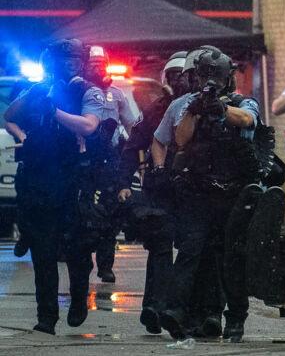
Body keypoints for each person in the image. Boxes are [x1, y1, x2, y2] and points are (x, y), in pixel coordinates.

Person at [159, 48, 261, 342]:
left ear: (228, 79)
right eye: (206, 76)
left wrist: (221, 109)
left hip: (233, 195)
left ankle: (232, 317)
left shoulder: (242, 102)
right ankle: (176, 310)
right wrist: (195, 109)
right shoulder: (191, 103)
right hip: (199, 192)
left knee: (229, 258)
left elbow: (248, 120)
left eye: (216, 77)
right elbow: (180, 138)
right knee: (190, 251)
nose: (211, 82)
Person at [3, 39, 100, 334]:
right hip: (40, 180)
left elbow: (89, 126)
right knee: (43, 252)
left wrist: (54, 110)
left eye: (75, 59)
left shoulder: (88, 91)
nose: (70, 64)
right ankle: (46, 317)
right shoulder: (39, 90)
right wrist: (33, 96)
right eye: (64, 59)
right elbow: (10, 116)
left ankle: (79, 300)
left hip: (73, 179)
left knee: (78, 249)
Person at [118, 51, 190, 334]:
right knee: (160, 245)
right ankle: (154, 307)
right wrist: (123, 183)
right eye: (174, 76)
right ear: (166, 79)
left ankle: (181, 309)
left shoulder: (203, 108)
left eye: (184, 76)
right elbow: (132, 146)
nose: (179, 81)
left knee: (191, 249)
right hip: (160, 186)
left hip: (193, 188)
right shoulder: (154, 110)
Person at [79, 46, 138, 284]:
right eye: (92, 64)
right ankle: (82, 263)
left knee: (110, 213)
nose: (96, 68)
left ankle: (105, 266)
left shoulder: (117, 94)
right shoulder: (78, 90)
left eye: (100, 64)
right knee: (82, 211)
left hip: (109, 159)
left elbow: (132, 124)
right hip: (83, 157)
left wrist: (135, 149)